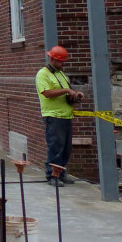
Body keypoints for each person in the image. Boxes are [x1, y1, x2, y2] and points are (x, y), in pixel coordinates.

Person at [36, 45, 85, 186]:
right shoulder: (43, 74)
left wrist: (75, 94)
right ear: (52, 59)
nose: (63, 64)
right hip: (54, 116)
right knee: (55, 146)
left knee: (65, 148)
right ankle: (52, 176)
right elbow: (46, 93)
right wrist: (67, 91)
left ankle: (62, 174)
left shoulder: (61, 74)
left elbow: (66, 91)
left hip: (66, 115)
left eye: (64, 61)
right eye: (60, 61)